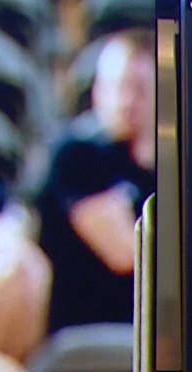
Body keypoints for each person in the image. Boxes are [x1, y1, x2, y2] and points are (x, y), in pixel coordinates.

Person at [36, 28, 153, 332]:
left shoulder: (175, 169)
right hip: (78, 330)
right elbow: (124, 254)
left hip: (151, 330)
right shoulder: (78, 154)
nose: (126, 101)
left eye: (140, 88)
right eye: (116, 86)